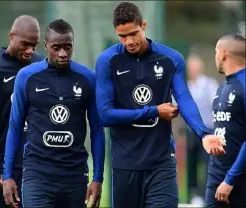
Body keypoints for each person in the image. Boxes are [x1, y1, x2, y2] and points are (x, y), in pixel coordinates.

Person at [95, 2, 226, 208]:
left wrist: (203, 133)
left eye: (133, 33)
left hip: (161, 163)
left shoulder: (171, 58)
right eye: (122, 36)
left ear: (144, 25)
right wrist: (154, 111)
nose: (128, 41)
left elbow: (183, 97)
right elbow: (105, 115)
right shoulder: (107, 61)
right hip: (125, 164)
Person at [3, 19, 105, 208]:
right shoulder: (26, 77)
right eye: (56, 47)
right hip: (37, 176)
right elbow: (15, 127)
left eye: (68, 47)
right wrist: (8, 175)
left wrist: (98, 177)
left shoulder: (88, 79)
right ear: (46, 46)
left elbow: (97, 130)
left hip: (74, 177)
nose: (63, 53)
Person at [0, 15, 44, 208]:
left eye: (34, 45)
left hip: (40, 163)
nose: (30, 50)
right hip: (6, 168)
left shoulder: (42, 66)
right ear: (11, 36)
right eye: (25, 44)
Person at [205, 33, 246, 208]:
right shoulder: (222, 87)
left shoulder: (243, 86)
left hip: (238, 178)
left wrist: (230, 179)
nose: (215, 57)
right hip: (216, 174)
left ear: (222, 53)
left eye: (215, 52)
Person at [185, 54, 219, 204]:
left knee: (206, 163)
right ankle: (192, 194)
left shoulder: (210, 85)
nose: (193, 70)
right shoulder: (186, 86)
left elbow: (216, 105)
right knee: (191, 163)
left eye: (195, 66)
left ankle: (204, 194)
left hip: (207, 129)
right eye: (190, 67)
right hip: (190, 131)